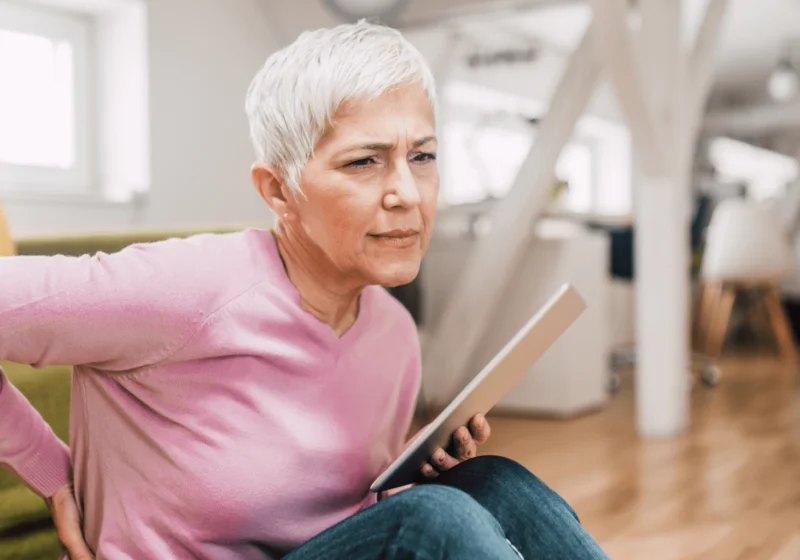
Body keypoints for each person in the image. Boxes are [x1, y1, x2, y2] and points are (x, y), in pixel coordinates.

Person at [0, 20, 608, 559]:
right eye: (364, 162)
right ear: (278, 191)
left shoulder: (392, 333)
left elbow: (332, 517)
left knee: (495, 483)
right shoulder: (182, 288)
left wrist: (404, 480)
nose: (407, 193)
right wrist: (53, 473)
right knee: (434, 518)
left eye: (421, 157)